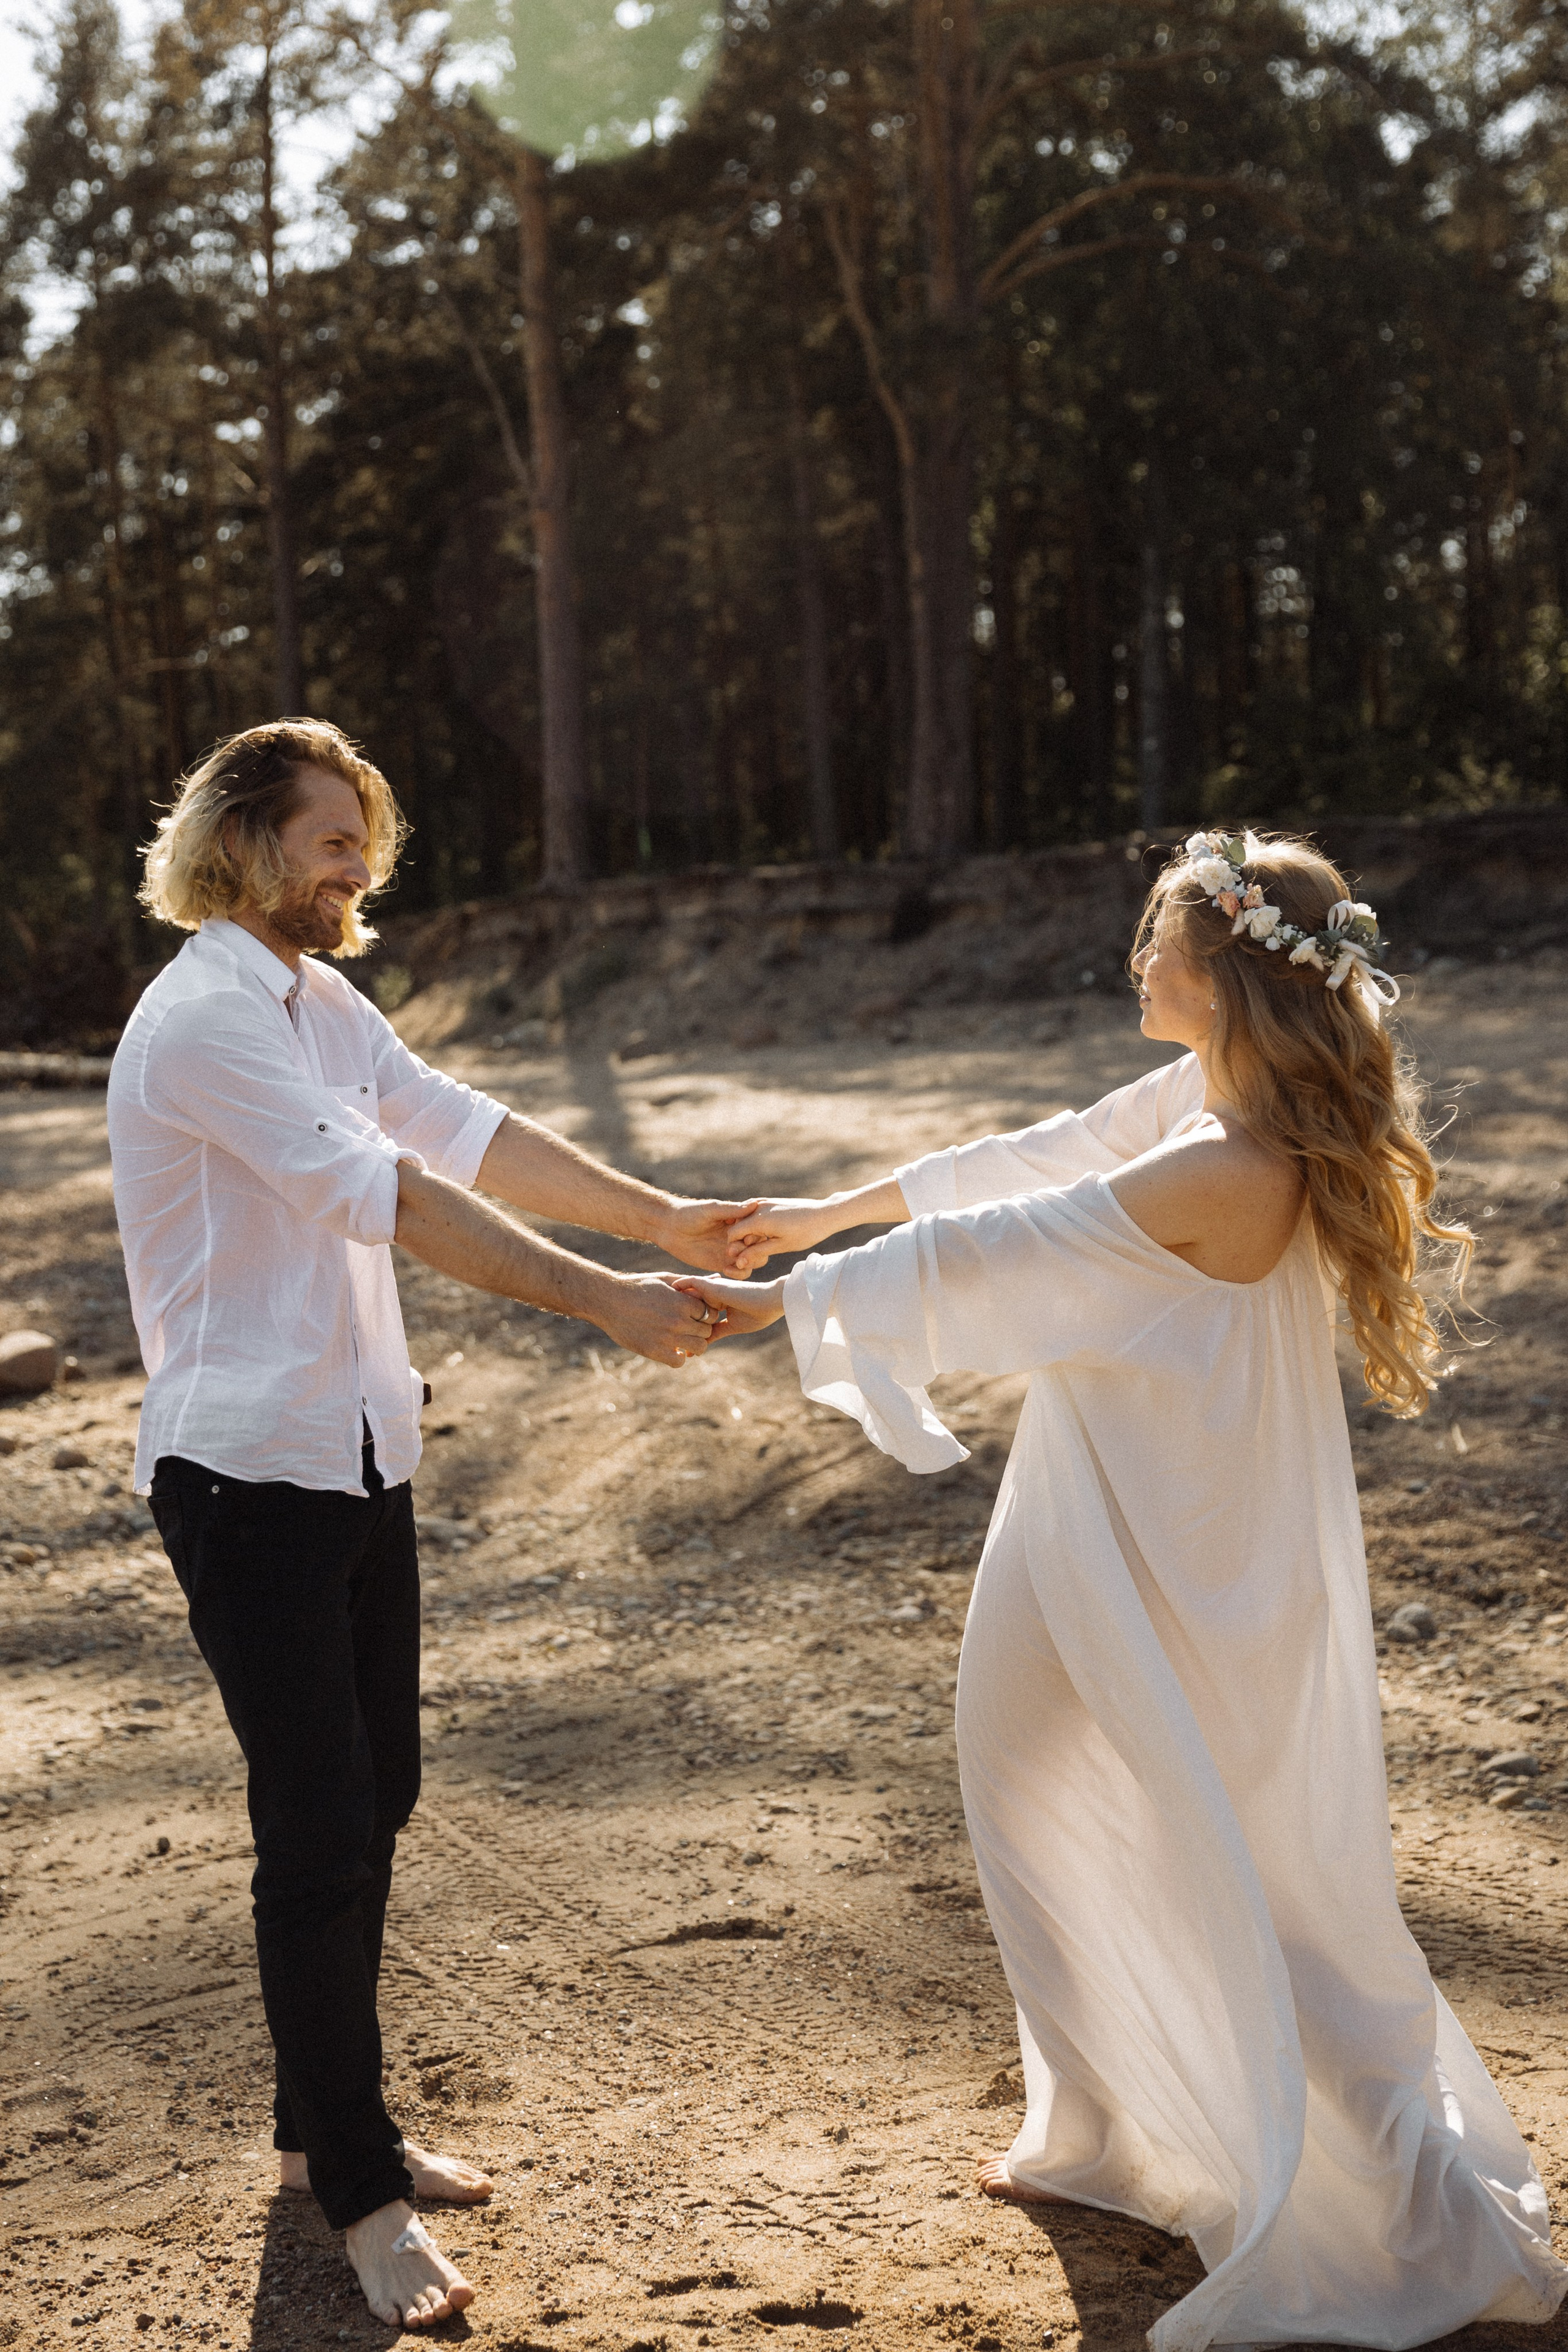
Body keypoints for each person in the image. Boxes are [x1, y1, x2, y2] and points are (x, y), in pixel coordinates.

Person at [676, 831, 1567, 2350]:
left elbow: (1012, 1246)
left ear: (1218, 978)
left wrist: (786, 1301)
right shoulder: (1202, 1099)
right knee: (1022, 1774)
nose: (1133, 960)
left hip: (1184, 1548)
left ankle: (1406, 2209)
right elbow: (1026, 1158)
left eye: (1155, 940)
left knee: (1250, 1857)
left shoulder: (1229, 1159)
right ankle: (1103, 2129)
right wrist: (823, 1216)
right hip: (1105, 1511)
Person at [108, 720, 737, 2333]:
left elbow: (463, 1130)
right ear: (241, 840)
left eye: (364, 842)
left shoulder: (323, 1004)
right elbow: (382, 1194)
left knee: (375, 1793)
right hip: (245, 1472)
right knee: (320, 1829)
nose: (357, 868)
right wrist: (606, 1300)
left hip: (358, 1453)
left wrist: (661, 1215)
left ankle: (316, 2124)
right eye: (332, 837)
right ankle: (359, 2189)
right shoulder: (205, 1019)